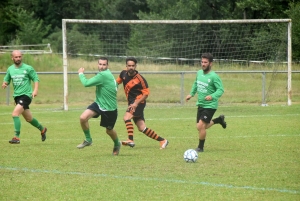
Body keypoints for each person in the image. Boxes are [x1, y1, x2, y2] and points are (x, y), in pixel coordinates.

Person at [116, 57, 168, 149]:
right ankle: (162, 140)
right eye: (129, 66)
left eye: (133, 66)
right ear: (126, 66)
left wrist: (136, 103)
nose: (131, 67)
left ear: (135, 66)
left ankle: (130, 140)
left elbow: (146, 94)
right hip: (131, 102)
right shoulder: (123, 73)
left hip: (139, 102)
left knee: (126, 117)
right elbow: (117, 83)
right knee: (142, 128)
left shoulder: (140, 79)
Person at [76, 57, 121, 156]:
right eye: (100, 64)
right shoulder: (107, 74)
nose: (101, 66)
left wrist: (80, 73)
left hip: (110, 108)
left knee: (109, 131)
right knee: (83, 118)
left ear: (107, 66)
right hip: (99, 103)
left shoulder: (103, 75)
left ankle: (117, 144)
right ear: (98, 64)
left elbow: (86, 83)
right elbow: (115, 86)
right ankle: (88, 140)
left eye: (104, 64)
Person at [2, 50, 47, 144]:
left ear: (21, 57)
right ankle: (42, 129)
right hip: (17, 97)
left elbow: (36, 78)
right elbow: (7, 79)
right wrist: (5, 83)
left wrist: (35, 90)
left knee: (15, 114)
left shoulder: (28, 68)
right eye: (16, 57)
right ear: (12, 58)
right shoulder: (10, 69)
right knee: (29, 119)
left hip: (26, 95)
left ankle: (16, 137)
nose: (18, 58)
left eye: (19, 56)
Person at [186, 53, 226, 152]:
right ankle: (218, 120)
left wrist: (212, 96)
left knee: (201, 126)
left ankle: (200, 147)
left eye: (205, 62)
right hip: (201, 104)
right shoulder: (199, 73)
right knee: (199, 127)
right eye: (202, 62)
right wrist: (191, 94)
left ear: (210, 64)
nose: (203, 64)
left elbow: (220, 90)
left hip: (210, 105)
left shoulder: (214, 76)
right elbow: (196, 84)